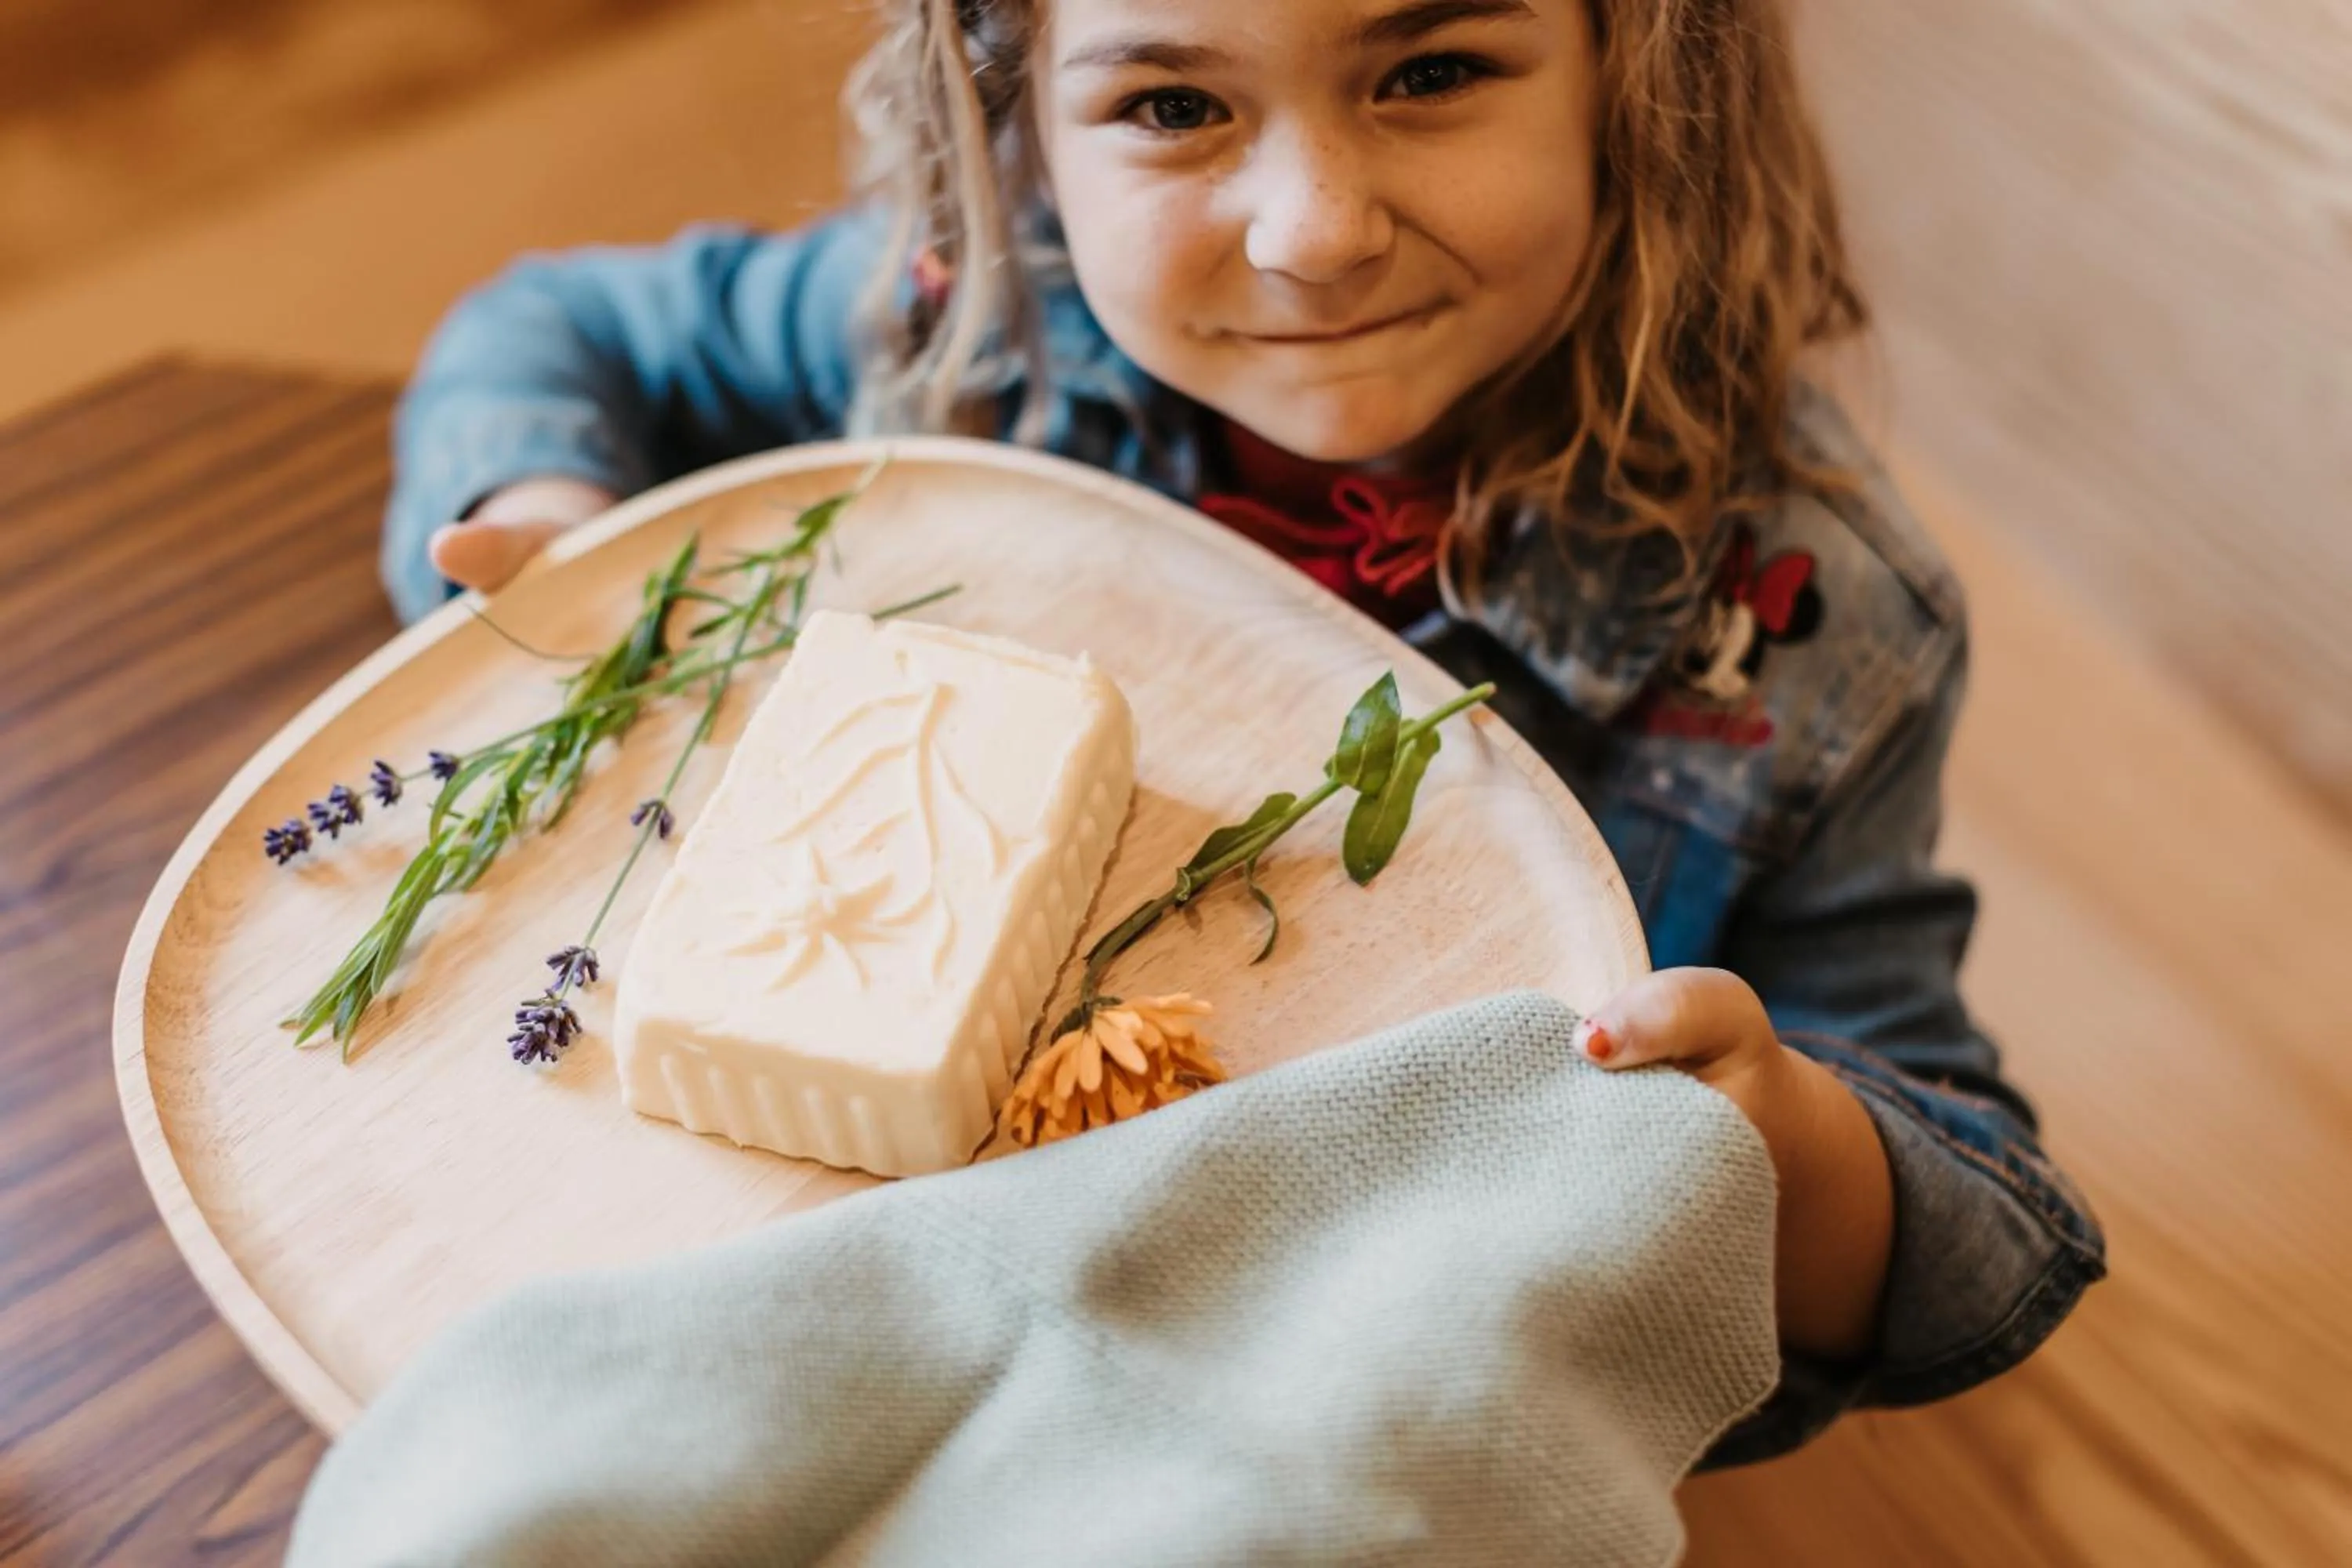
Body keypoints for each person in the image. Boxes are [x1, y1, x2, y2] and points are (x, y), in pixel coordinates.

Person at [380, 0, 2104, 1464]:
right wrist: (548, 505)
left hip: (1351, 1382)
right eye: (1176, 106)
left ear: (1645, 68)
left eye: (1428, 72)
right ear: (1018, 125)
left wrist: (1781, 1143)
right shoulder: (970, 319)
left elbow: (1978, 1190)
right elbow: (558, 327)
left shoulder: (1811, 618)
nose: (1315, 229)